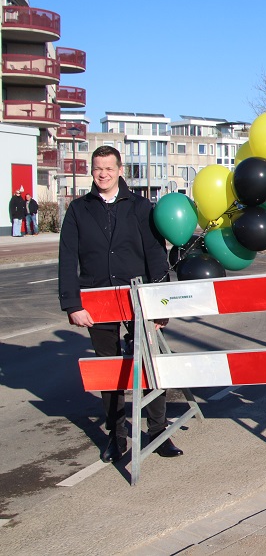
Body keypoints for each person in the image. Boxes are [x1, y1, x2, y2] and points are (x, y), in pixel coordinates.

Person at [58, 146, 183, 463]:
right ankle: (116, 437)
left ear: (119, 169)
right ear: (92, 170)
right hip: (96, 301)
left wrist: (160, 307)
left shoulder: (141, 207)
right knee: (109, 371)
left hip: (139, 300)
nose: (103, 174)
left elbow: (156, 256)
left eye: (109, 168)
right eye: (97, 168)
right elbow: (66, 260)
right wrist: (73, 305)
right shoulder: (78, 210)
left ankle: (158, 431)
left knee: (151, 367)